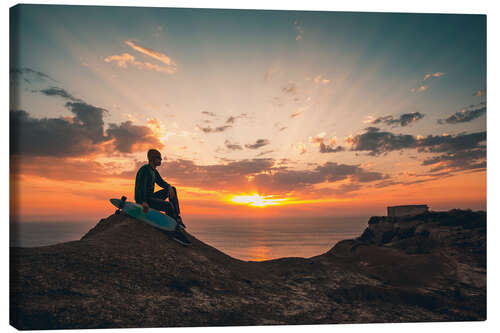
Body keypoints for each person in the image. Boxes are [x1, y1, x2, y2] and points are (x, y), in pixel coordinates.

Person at [134, 149, 186, 229]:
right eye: (159, 158)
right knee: (168, 205)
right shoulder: (145, 169)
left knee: (172, 189)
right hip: (145, 200)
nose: (161, 159)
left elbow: (161, 182)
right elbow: (141, 187)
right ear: (152, 159)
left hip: (151, 197)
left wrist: (169, 187)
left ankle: (177, 217)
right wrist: (143, 201)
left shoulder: (154, 171)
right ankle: (172, 225)